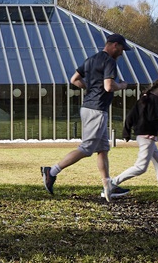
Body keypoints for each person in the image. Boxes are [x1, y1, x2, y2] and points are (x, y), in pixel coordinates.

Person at [41, 33, 134, 202]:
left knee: (103, 149)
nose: (122, 53)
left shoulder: (91, 60)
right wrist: (122, 85)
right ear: (114, 45)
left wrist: (89, 88)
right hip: (97, 110)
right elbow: (108, 86)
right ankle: (51, 172)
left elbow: (74, 79)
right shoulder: (109, 62)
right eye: (121, 49)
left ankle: (108, 185)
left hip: (89, 107)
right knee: (86, 148)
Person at [111, 77, 158, 205]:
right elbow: (154, 118)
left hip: (145, 136)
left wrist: (126, 132)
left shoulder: (145, 97)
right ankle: (111, 183)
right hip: (147, 137)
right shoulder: (153, 99)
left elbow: (131, 115)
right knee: (140, 168)